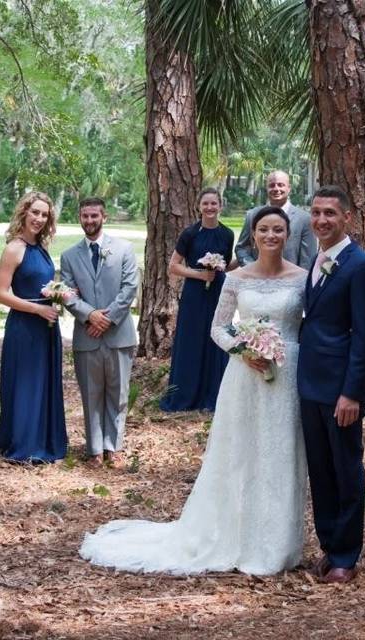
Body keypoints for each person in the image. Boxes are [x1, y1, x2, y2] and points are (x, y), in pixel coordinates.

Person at [80, 206, 308, 575]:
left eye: (278, 230)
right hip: (245, 375)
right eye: (263, 229)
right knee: (240, 455)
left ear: (287, 234)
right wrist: (244, 351)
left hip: (287, 375)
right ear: (253, 234)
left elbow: (310, 325)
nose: (271, 236)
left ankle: (278, 545)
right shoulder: (237, 279)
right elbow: (219, 328)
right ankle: (236, 537)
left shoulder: (302, 278)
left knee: (281, 455)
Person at [298, 185, 365, 584]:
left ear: (347, 217)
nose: (321, 220)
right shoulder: (316, 260)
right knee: (321, 471)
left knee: (346, 471)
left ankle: (347, 555)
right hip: (309, 385)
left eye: (330, 213)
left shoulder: (361, 266)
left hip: (340, 391)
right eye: (316, 212)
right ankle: (329, 546)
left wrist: (353, 392)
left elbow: (364, 337)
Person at [60, 197, 139, 468]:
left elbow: (129, 288)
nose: (89, 221)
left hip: (119, 335)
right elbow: (67, 294)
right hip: (87, 335)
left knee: (118, 393)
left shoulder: (124, 249)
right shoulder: (69, 256)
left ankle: (113, 447)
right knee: (90, 393)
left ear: (104, 217)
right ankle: (94, 449)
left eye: (94, 215)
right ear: (79, 218)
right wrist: (89, 315)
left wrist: (108, 318)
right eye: (85, 216)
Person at [0, 192, 67, 463]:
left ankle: (44, 441)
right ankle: (23, 445)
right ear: (24, 213)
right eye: (34, 212)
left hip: (46, 326)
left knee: (43, 383)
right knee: (25, 384)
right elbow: (1, 293)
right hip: (25, 327)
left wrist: (60, 296)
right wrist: (38, 308)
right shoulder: (15, 248)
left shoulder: (41, 248)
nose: (38, 218)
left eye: (44, 214)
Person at [159, 188, 234, 412]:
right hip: (194, 292)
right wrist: (200, 274)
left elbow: (227, 263)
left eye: (214, 203)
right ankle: (186, 395)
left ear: (221, 206)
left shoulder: (228, 234)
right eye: (206, 204)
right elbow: (173, 266)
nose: (210, 208)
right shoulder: (190, 233)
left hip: (218, 291)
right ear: (199, 207)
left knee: (216, 338)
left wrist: (242, 263)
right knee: (192, 340)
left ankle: (215, 393)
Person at [235, 170, 316, 269]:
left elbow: (308, 259)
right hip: (257, 280)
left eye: (281, 185)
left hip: (290, 280)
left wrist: (297, 279)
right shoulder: (252, 215)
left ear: (289, 188)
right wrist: (254, 269)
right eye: (272, 185)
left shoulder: (304, 219)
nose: (276, 189)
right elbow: (241, 248)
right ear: (267, 188)